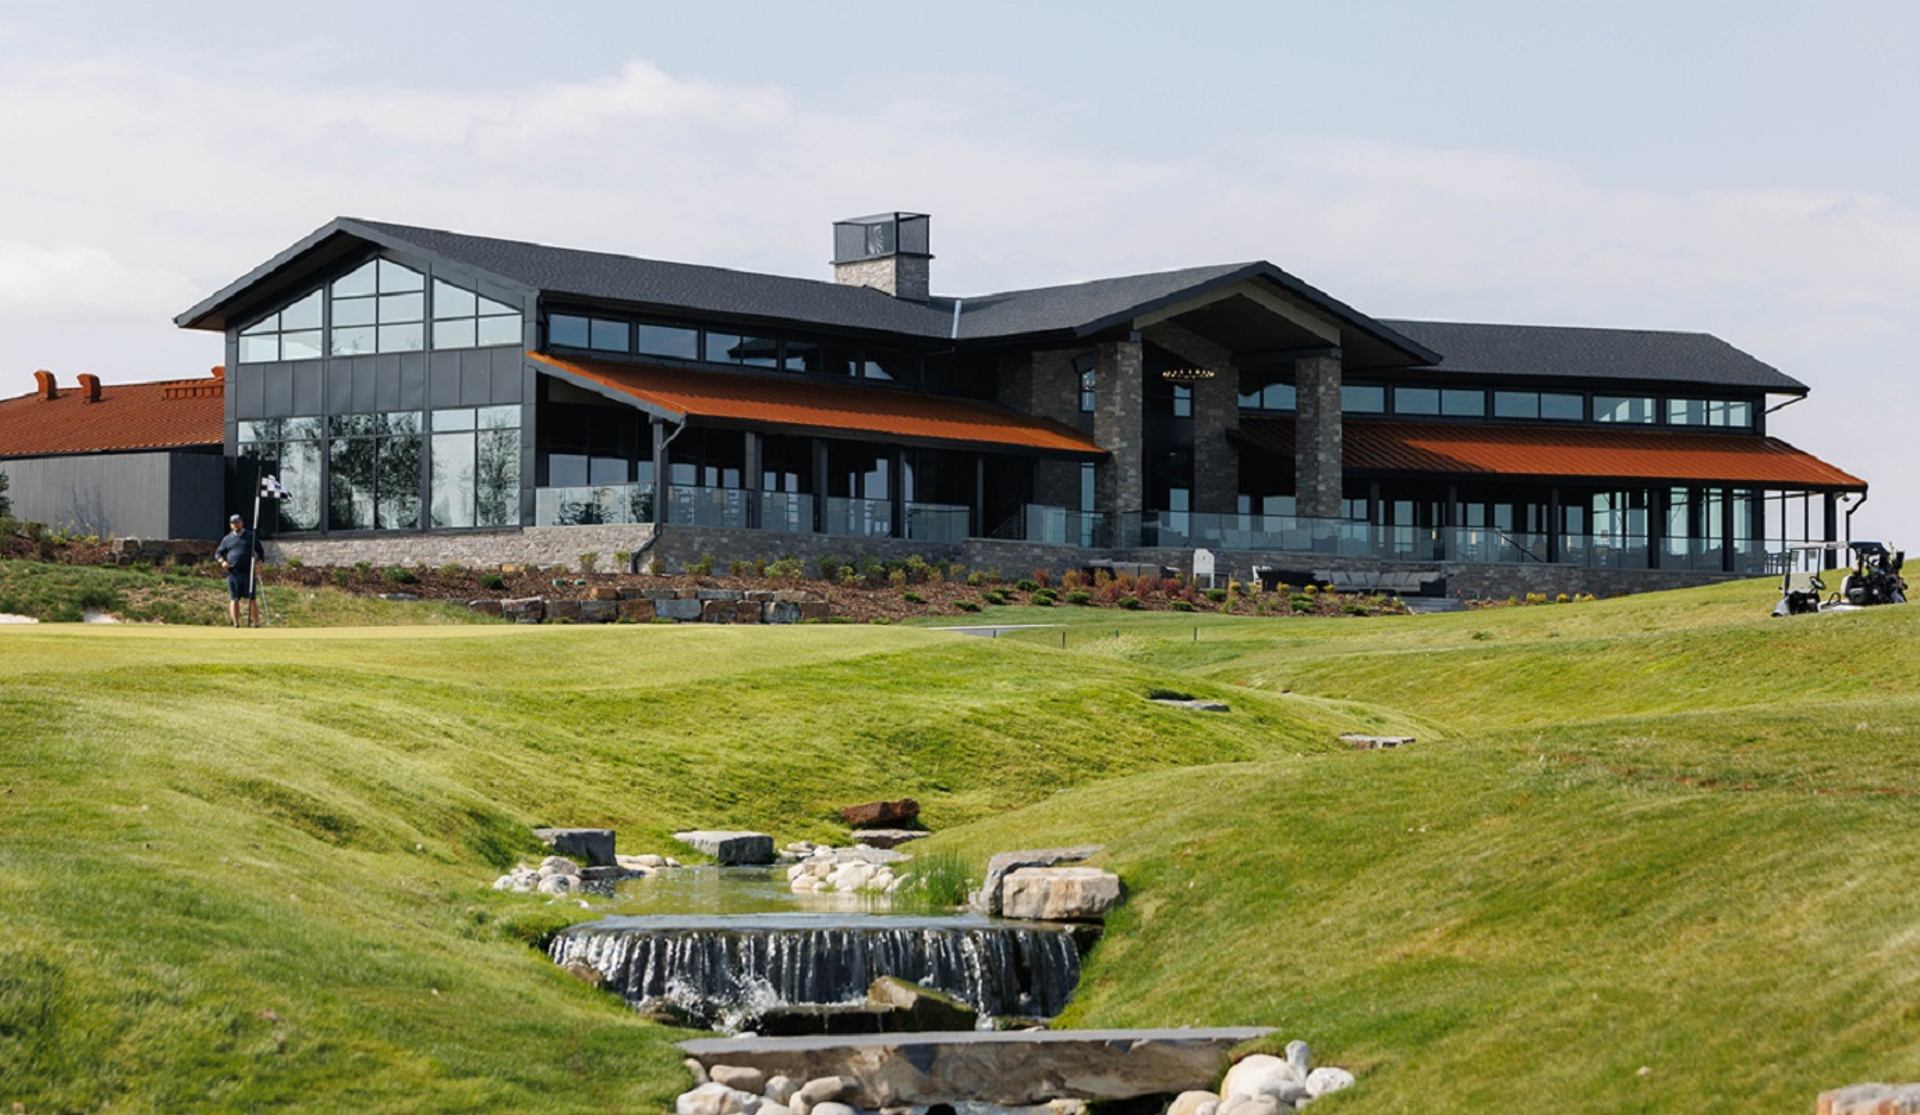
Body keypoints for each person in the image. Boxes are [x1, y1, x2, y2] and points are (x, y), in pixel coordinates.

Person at [215, 513, 265, 628]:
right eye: (233, 523)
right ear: (231, 525)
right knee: (234, 598)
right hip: (233, 573)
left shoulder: (251, 536)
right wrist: (222, 562)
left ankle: (256, 623)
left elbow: (261, 553)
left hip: (248, 573)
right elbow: (218, 554)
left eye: (238, 522)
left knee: (252, 599)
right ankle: (236, 623)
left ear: (242, 523)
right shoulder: (227, 539)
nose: (236, 525)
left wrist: (258, 565)